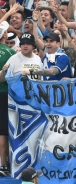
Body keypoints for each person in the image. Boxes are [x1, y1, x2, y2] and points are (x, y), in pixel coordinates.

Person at [0, 22, 15, 175]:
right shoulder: (10, 53)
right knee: (4, 130)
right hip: (4, 93)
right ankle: (4, 164)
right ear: (4, 35)